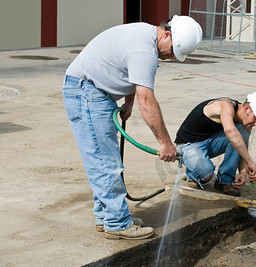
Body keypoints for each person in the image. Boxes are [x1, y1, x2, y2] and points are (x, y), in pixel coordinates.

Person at [62, 16, 203, 240]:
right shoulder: (144, 49)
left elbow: (132, 77)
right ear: (166, 34)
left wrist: (127, 103)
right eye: (174, 50)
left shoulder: (145, 38)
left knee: (103, 159)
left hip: (92, 91)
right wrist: (165, 143)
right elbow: (146, 100)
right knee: (105, 162)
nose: (173, 57)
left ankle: (107, 216)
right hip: (86, 91)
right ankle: (117, 223)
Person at [175, 91, 256, 196]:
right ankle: (193, 175)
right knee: (206, 173)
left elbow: (239, 143)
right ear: (247, 109)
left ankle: (225, 181)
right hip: (187, 145)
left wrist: (242, 171)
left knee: (242, 129)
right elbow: (230, 131)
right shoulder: (226, 105)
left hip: (207, 142)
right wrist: (250, 162)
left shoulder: (241, 119)